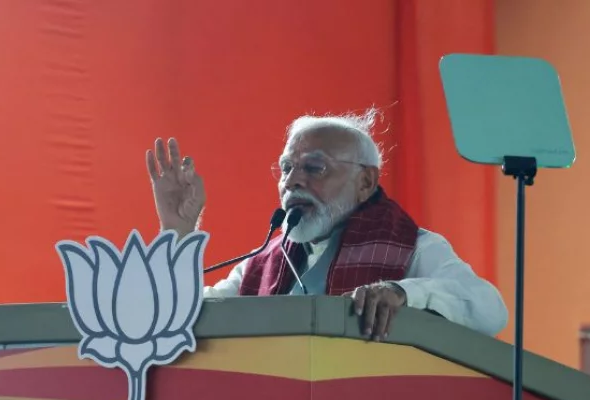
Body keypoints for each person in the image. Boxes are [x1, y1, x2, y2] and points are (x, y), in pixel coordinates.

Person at [145, 110, 508, 340]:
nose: (292, 181)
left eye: (314, 168)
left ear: (365, 182)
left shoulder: (414, 247)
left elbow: (490, 309)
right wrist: (178, 231)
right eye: (287, 168)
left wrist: (402, 293)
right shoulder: (263, 264)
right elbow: (174, 318)